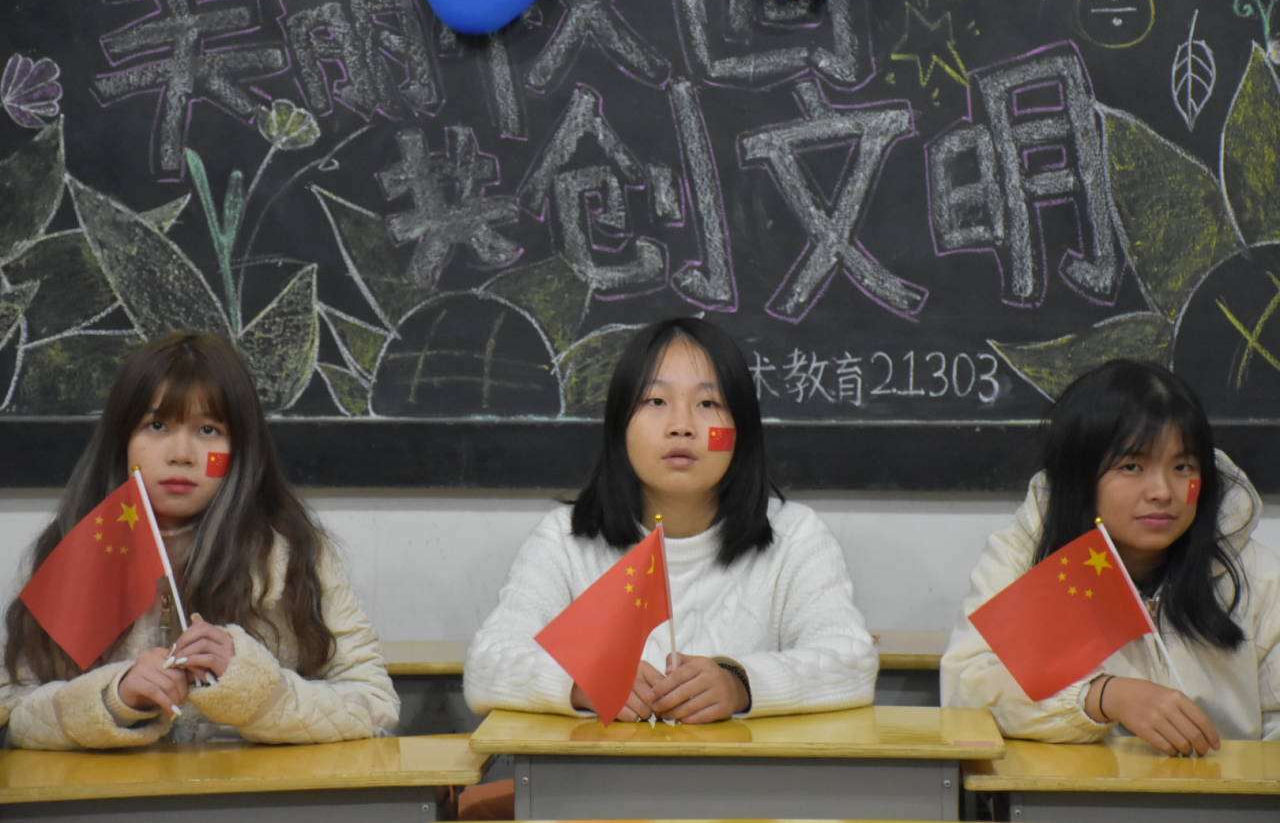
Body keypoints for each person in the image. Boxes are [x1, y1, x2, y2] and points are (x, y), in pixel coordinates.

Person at [465, 317, 877, 724]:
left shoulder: (794, 534)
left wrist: (740, 683)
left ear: (742, 430)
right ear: (620, 425)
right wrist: (581, 681)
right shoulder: (566, 537)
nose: (681, 427)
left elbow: (852, 660)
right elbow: (487, 665)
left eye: (708, 404)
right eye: (655, 402)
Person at [0, 332, 399, 749]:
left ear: (240, 448)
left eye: (208, 429)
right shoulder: (72, 549)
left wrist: (254, 688)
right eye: (157, 426)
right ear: (122, 440)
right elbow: (14, 716)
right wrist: (114, 698)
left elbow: (376, 705)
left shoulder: (293, 550)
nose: (181, 454)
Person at [942, 359, 1280, 756]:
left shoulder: (1256, 574)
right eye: (1132, 466)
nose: (1162, 491)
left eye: (1182, 466)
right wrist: (1100, 696)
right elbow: (968, 687)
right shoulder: (1028, 557)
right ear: (1081, 477)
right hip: (1066, 792)